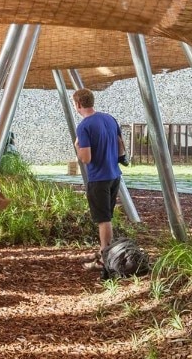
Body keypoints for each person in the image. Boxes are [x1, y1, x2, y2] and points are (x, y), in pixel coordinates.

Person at [73, 88, 125, 274]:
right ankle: (104, 252)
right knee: (107, 217)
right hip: (114, 175)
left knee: (103, 220)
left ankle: (106, 260)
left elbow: (86, 158)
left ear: (78, 104)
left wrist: (77, 147)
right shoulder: (109, 119)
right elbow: (121, 146)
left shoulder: (84, 126)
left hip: (98, 178)